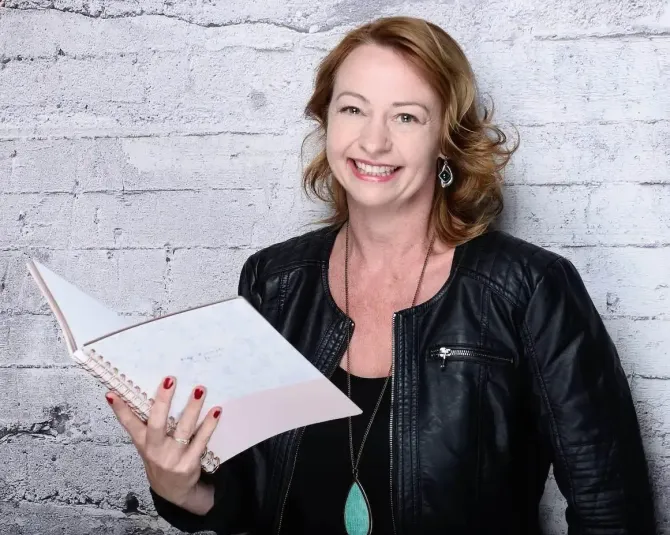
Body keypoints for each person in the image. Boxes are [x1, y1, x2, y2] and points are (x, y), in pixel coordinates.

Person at [104, 16, 657, 535]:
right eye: (353, 109)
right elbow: (251, 499)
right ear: (326, 121)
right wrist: (182, 486)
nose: (373, 142)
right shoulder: (273, 282)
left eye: (406, 116)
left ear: (447, 138)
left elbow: (611, 509)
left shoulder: (528, 288)